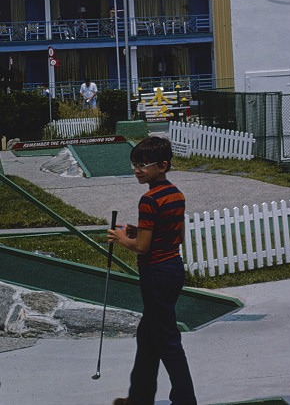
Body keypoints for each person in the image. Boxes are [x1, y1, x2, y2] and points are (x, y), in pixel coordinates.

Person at [108, 136, 197, 405]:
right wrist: (140, 230)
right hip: (172, 269)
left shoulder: (148, 199)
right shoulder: (176, 194)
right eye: (134, 164)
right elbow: (176, 236)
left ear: (162, 166)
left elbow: (142, 247)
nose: (137, 170)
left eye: (143, 165)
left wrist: (121, 238)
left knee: (167, 340)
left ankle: (185, 400)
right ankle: (139, 398)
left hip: (155, 274)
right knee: (148, 337)